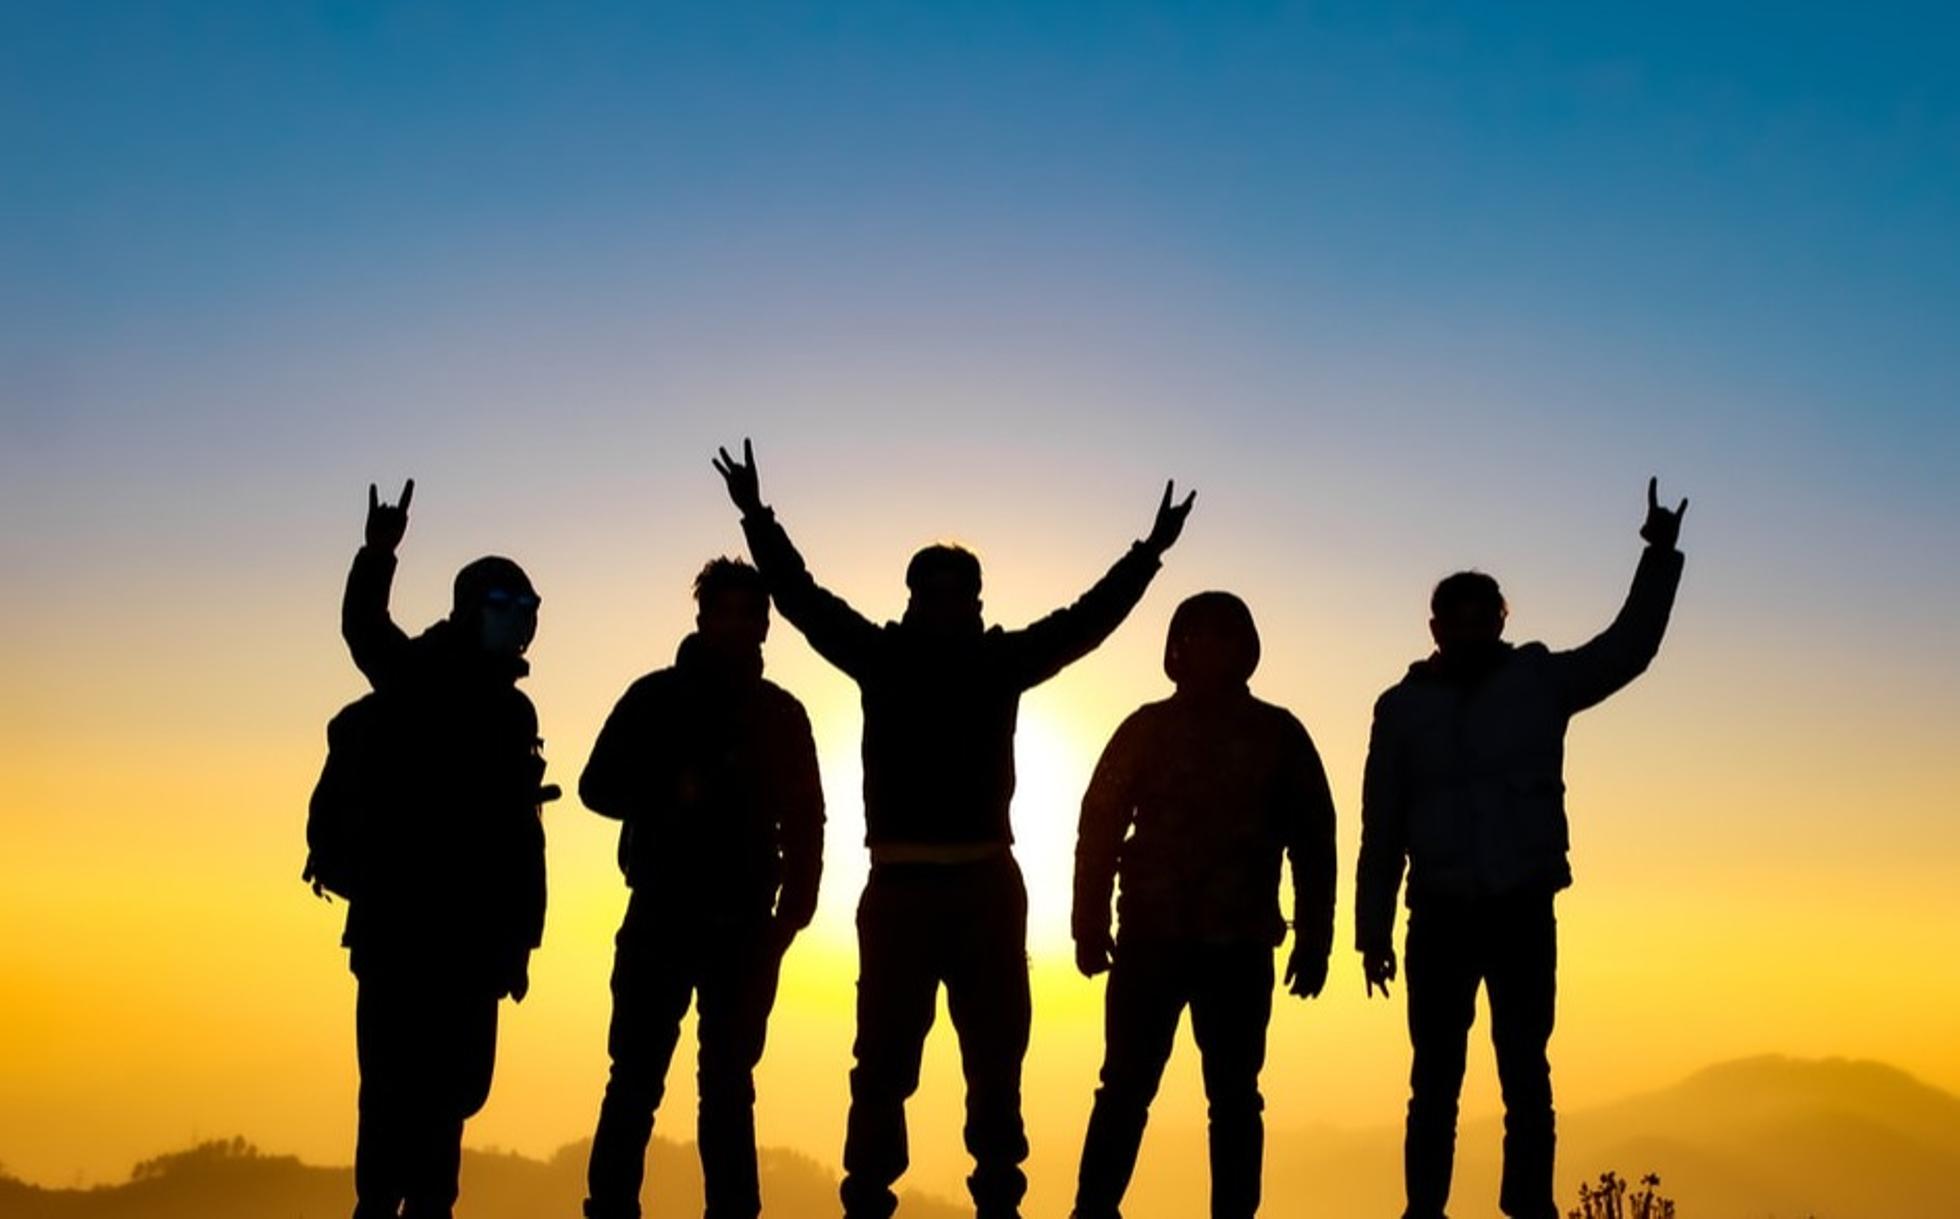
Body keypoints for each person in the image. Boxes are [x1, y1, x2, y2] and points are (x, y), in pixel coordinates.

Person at [710, 439, 1194, 1219]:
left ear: (973, 599)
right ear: (916, 598)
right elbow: (801, 598)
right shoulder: (892, 655)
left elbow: (1087, 622)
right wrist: (756, 517)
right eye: (933, 593)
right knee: (886, 1066)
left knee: (990, 1064)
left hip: (979, 889)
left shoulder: (979, 661)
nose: (943, 604)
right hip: (910, 890)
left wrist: (1149, 553)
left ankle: (984, 1202)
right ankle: (875, 1199)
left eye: (955, 593)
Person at [1355, 478, 1688, 1219]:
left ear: (1501, 621)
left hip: (1520, 911)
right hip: (1439, 915)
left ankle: (1528, 1206)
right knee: (1435, 1079)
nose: (1473, 630)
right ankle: (1425, 1210)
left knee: (1524, 1074)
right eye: (1460, 619)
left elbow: (1626, 650)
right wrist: (1371, 929)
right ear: (1436, 626)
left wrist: (1658, 557)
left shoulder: (1538, 681)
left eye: (1486, 618)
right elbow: (1383, 826)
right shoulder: (1401, 709)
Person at [1071, 591, 1338, 1219]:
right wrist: (1088, 923)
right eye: (1196, 636)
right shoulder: (1145, 729)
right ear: (1177, 648)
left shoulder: (1278, 734)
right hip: (1149, 942)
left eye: (1223, 637)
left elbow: (1314, 841)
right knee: (1125, 1088)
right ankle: (1092, 1212)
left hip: (1238, 945)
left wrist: (1315, 938)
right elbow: (1099, 826)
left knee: (1235, 1097)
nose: (1209, 649)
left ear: (1245, 650)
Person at [579, 557, 825, 1219]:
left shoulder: (781, 715)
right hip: (660, 915)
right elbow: (595, 786)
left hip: (744, 928)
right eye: (727, 612)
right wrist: (669, 790)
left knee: (726, 1087)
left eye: (751, 615)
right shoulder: (654, 698)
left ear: (765, 625)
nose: (739, 626)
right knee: (636, 1079)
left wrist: (789, 918)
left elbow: (808, 820)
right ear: (702, 617)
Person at [336, 479, 553, 1219]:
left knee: (450, 1105)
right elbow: (365, 630)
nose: (519, 622)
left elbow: (520, 835)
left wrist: (520, 941)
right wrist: (378, 553)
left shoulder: (515, 710)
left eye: (527, 609)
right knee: (392, 1101)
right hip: (401, 934)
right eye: (506, 606)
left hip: (472, 946)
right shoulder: (417, 677)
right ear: (469, 610)